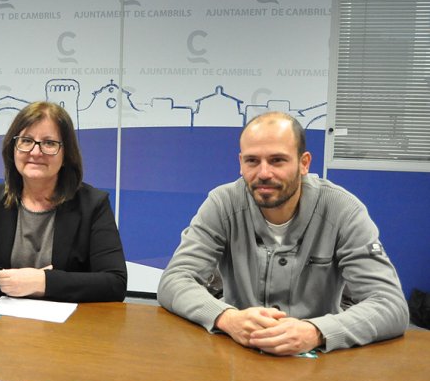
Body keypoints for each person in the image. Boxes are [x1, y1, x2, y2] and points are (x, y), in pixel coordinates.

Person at [158, 112, 409, 355]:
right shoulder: (223, 203)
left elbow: (390, 305)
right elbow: (175, 280)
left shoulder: (342, 209)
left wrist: (317, 331)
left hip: (318, 361)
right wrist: (227, 317)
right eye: (252, 161)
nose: (264, 173)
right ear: (241, 163)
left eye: (277, 160)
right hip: (238, 354)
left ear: (304, 163)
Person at [0, 101, 127, 302]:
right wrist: (6, 281)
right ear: (13, 148)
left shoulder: (93, 205)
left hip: (71, 326)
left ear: (66, 154)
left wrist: (43, 282)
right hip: (7, 322)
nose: (35, 152)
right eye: (26, 141)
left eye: (49, 143)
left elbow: (114, 282)